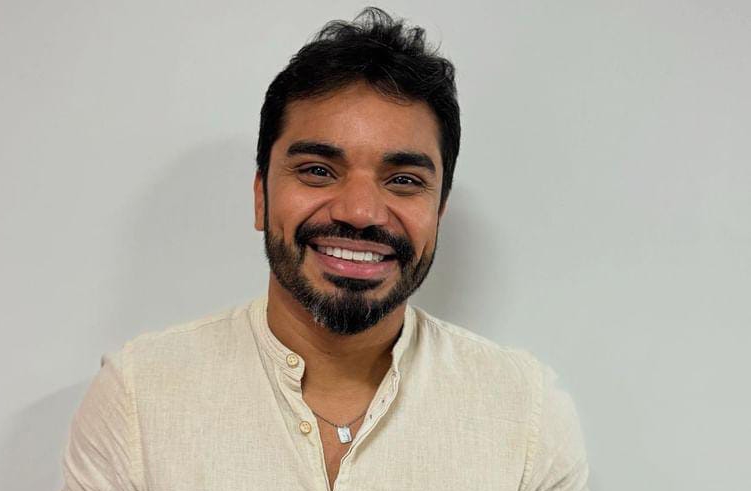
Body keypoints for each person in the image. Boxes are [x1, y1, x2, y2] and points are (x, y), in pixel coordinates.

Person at [61, 7, 589, 491]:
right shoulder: (137, 402)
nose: (360, 212)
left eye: (404, 180)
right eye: (318, 170)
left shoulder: (527, 419)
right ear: (261, 197)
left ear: (438, 212)